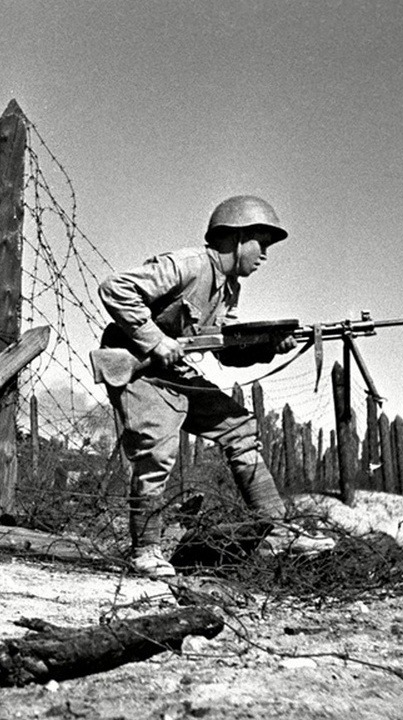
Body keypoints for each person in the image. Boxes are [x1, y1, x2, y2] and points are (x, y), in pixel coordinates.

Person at [93, 195, 336, 578]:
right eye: (262, 244)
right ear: (237, 238)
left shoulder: (229, 289)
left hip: (174, 371)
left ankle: (278, 532)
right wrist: (155, 341)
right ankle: (146, 550)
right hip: (139, 368)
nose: (265, 256)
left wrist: (268, 349)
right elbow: (115, 289)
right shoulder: (189, 265)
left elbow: (224, 351)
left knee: (240, 427)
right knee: (157, 451)